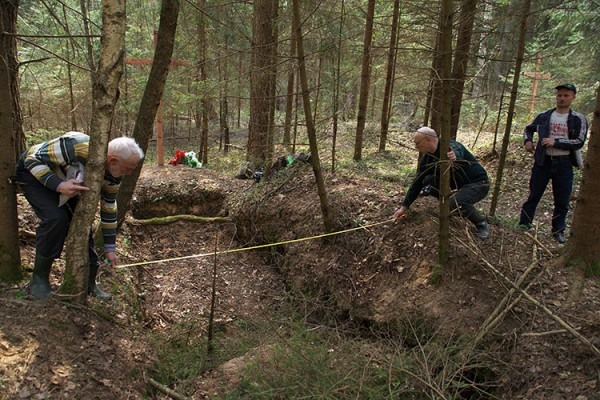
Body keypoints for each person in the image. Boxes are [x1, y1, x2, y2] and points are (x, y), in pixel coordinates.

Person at [16, 131, 144, 299]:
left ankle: (89, 283)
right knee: (56, 219)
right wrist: (59, 185)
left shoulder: (114, 176)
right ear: (112, 160)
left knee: (82, 223)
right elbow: (32, 159)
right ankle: (38, 279)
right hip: (34, 174)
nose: (129, 173)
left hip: (70, 182)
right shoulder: (76, 145)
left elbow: (109, 207)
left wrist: (110, 247)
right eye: (128, 169)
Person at [519, 83, 588, 244]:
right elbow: (528, 129)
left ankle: (558, 230)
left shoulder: (578, 119)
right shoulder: (544, 115)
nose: (562, 98)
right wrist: (527, 141)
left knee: (562, 200)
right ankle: (524, 223)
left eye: (566, 95)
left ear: (573, 97)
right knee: (534, 195)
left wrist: (555, 142)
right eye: (560, 95)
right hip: (543, 162)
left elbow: (579, 141)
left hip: (564, 163)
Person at [394, 126, 490, 239]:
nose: (416, 147)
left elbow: (457, 151)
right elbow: (417, 182)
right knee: (427, 180)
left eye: (418, 143)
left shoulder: (449, 146)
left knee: (455, 202)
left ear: (428, 140)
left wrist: (454, 156)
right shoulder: (427, 158)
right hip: (459, 185)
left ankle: (481, 223)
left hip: (479, 183)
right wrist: (404, 207)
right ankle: (446, 204)